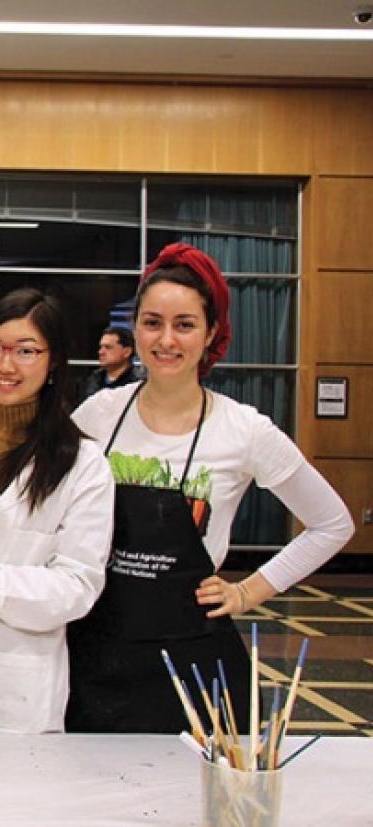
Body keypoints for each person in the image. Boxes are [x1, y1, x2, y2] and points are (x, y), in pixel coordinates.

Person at [65, 243, 354, 733]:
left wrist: (247, 592)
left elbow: (332, 524)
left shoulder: (245, 430)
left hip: (194, 657)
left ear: (212, 332)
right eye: (152, 322)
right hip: (94, 650)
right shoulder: (98, 415)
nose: (166, 340)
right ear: (135, 328)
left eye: (185, 324)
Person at [0, 288, 115, 733]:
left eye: (25, 351)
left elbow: (78, 585)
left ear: (54, 360)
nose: (6, 366)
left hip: (16, 693)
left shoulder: (83, 463)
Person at [79, 326, 141, 402]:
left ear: (126, 352)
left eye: (108, 347)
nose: (101, 352)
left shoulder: (139, 383)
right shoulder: (93, 379)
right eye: (101, 347)